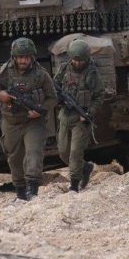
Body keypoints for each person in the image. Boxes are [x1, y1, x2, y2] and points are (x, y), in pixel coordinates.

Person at [0, 37, 56, 201]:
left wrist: (40, 111)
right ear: (14, 57)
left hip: (34, 122)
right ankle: (20, 192)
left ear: (32, 57)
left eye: (26, 57)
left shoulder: (40, 74)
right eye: (20, 57)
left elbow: (53, 98)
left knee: (34, 153)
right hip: (11, 122)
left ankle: (32, 191)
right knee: (15, 158)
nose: (23, 61)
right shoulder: (4, 71)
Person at [54, 39, 104, 192]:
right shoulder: (64, 69)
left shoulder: (91, 73)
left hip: (81, 118)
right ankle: (85, 167)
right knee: (64, 152)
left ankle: (74, 184)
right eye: (74, 60)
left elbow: (99, 95)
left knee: (75, 152)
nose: (77, 63)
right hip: (65, 115)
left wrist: (89, 112)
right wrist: (60, 98)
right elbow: (54, 87)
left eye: (80, 60)